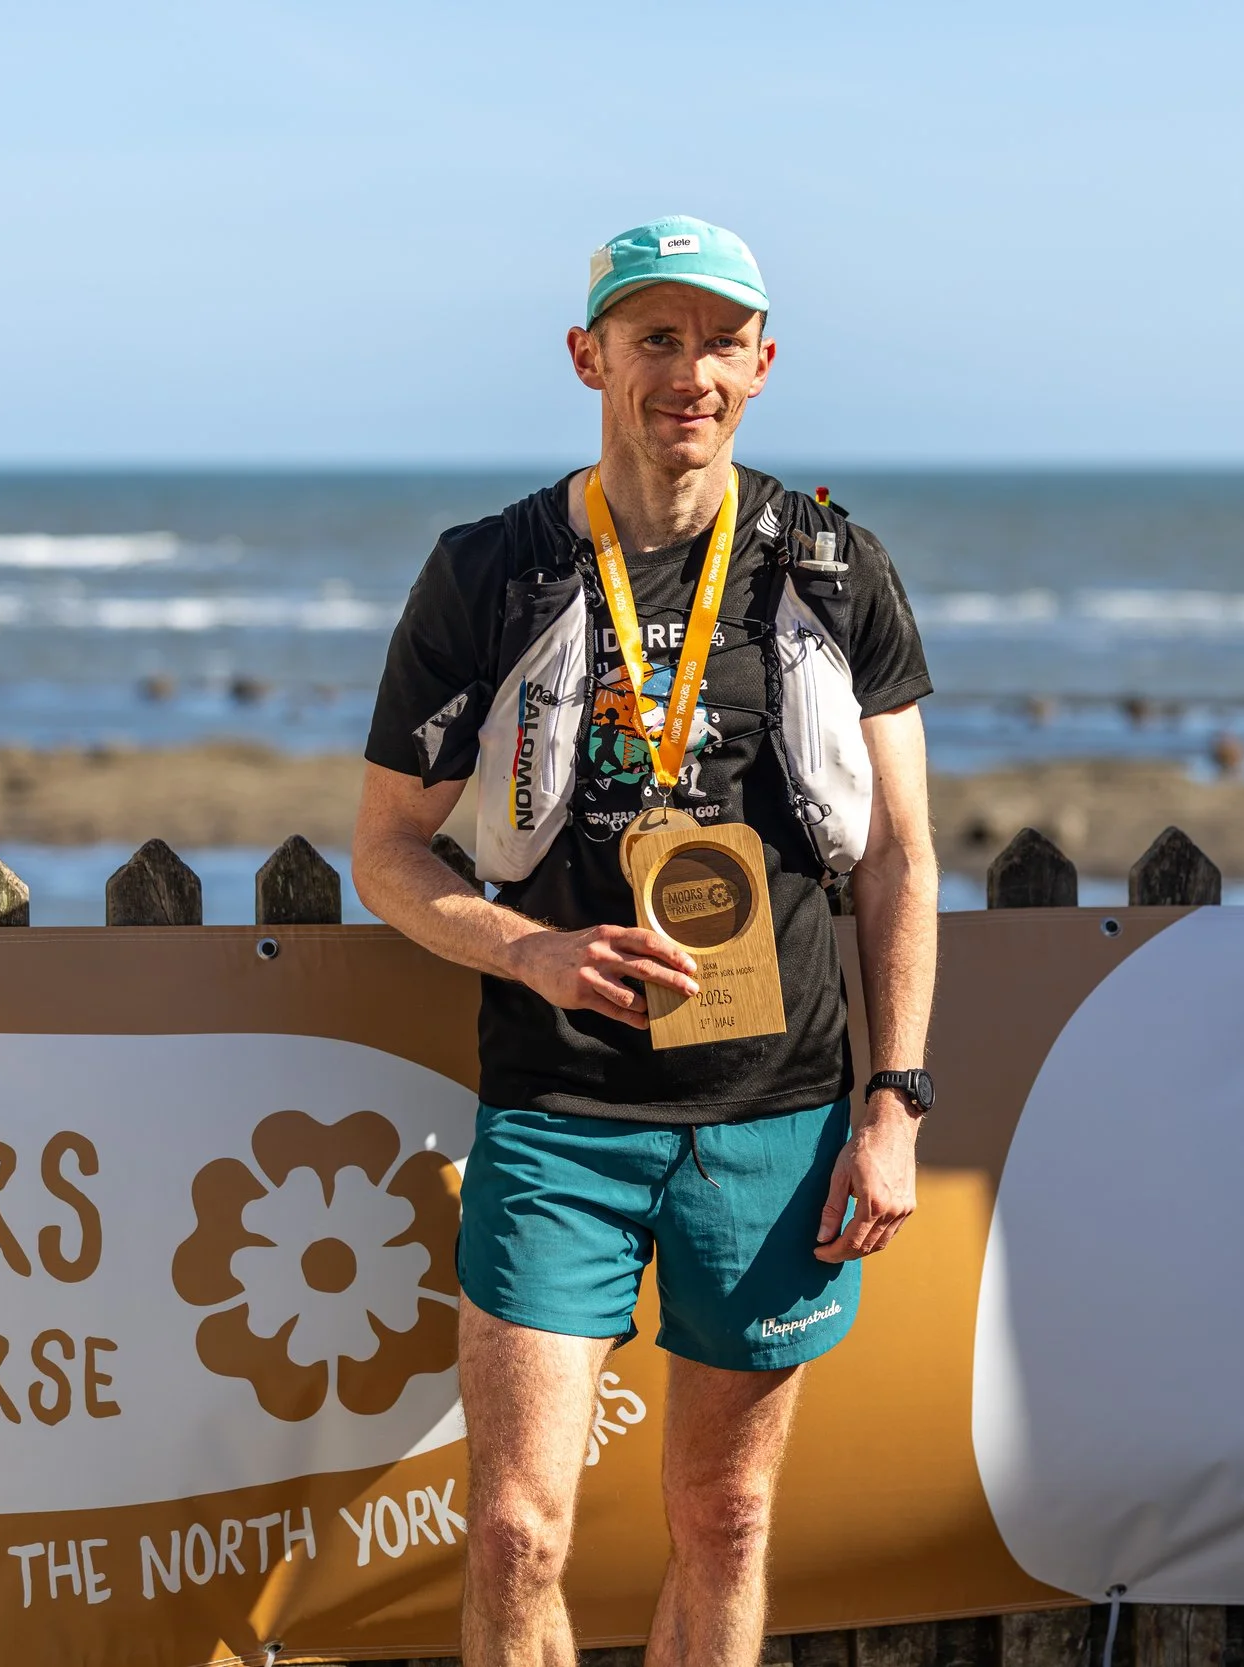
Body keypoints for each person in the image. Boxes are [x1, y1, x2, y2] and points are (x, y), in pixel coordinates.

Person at [352, 216, 941, 1666]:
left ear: (763, 364)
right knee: (514, 1528)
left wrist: (895, 1104)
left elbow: (904, 861)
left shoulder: (831, 567)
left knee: (727, 1517)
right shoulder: (492, 571)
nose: (689, 371)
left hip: (778, 1116)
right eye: (654, 338)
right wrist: (532, 953)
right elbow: (384, 849)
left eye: (719, 341)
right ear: (590, 356)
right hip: (558, 1110)